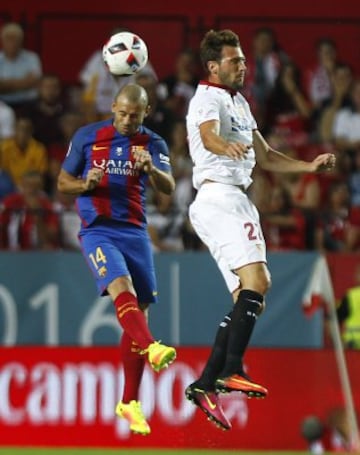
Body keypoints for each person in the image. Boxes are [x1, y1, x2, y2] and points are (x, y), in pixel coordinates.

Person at [185, 29, 336, 431]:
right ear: (214, 66)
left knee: (248, 298)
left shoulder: (239, 102)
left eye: (243, 60)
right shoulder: (207, 98)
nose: (242, 65)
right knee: (260, 280)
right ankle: (232, 368)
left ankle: (205, 383)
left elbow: (266, 156)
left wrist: (307, 167)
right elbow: (208, 136)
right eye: (234, 61)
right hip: (221, 195)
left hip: (230, 199)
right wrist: (224, 147)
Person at [57, 83, 176, 435]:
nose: (126, 120)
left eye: (134, 115)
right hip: (98, 229)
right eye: (122, 113)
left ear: (146, 112)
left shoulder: (153, 143)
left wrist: (152, 170)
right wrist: (85, 184)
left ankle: (129, 402)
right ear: (113, 107)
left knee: (140, 309)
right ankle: (152, 346)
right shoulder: (88, 136)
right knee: (120, 285)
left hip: (136, 231)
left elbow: (168, 187)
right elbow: (63, 182)